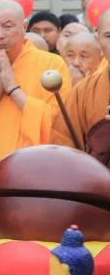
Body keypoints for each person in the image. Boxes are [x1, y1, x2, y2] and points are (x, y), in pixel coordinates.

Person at [0, 1, 71, 235]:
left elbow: (58, 122)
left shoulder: (51, 64)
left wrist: (13, 89)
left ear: (24, 25)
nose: (0, 35)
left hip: (33, 171)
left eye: (7, 27)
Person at [52, 10, 110, 165]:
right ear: (97, 40)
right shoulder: (83, 91)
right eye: (109, 36)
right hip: (96, 184)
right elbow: (63, 143)